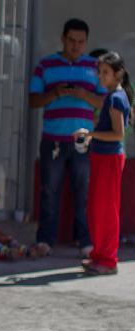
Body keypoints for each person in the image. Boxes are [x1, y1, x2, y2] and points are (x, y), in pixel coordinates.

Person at [29, 18, 105, 254]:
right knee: (49, 191)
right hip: (53, 138)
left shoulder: (95, 67)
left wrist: (83, 94)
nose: (75, 46)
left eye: (81, 42)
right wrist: (55, 94)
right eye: (71, 40)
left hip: (83, 140)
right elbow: (33, 100)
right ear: (62, 39)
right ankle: (45, 241)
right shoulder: (45, 65)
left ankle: (86, 242)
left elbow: (104, 102)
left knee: (84, 192)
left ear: (86, 43)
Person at [77, 51, 132, 276]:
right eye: (99, 72)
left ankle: (109, 260)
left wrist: (91, 134)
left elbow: (118, 134)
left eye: (106, 72)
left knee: (107, 210)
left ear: (117, 74)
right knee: (96, 208)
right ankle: (99, 254)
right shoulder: (110, 96)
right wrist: (92, 137)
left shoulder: (117, 98)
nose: (101, 76)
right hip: (101, 157)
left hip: (110, 159)